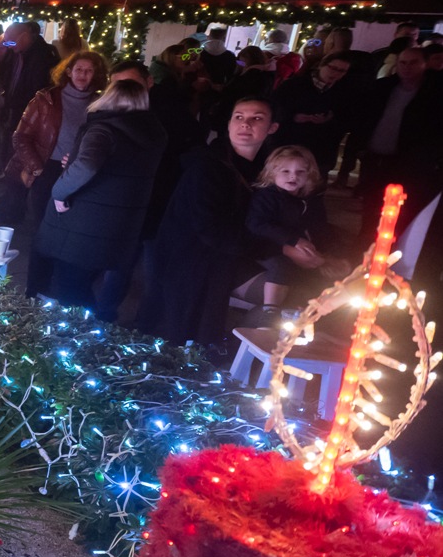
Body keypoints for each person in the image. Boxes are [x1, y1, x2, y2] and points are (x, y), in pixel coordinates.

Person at [142, 97, 278, 345]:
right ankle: (234, 351)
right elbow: (212, 229)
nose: (245, 124)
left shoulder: (270, 169)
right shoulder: (207, 166)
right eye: (239, 117)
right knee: (187, 336)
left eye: (256, 118)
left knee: (291, 291)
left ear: (272, 127)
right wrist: (277, 247)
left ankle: (242, 350)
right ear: (228, 125)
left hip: (228, 255)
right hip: (190, 260)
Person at [33, 79, 166, 320]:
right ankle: (93, 333)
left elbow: (87, 164)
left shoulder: (104, 129)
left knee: (70, 287)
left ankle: (84, 340)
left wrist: (60, 192)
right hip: (117, 227)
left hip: (83, 226)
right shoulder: (153, 135)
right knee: (83, 283)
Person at [10, 51, 109, 295]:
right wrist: (38, 168)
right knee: (44, 232)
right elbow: (21, 136)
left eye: (89, 70)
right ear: (67, 71)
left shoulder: (101, 103)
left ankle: (59, 292)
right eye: (78, 69)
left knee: (72, 233)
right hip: (48, 169)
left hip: (80, 173)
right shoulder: (47, 99)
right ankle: (35, 290)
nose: (83, 75)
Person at [246, 145, 348, 313]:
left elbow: (320, 227)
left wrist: (329, 251)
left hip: (303, 249)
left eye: (300, 172)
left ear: (309, 175)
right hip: (269, 248)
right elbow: (257, 224)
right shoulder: (267, 197)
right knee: (281, 266)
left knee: (331, 269)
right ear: (272, 173)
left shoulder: (310, 200)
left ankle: (318, 312)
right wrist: (292, 240)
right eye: (285, 171)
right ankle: (269, 311)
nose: (293, 176)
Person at [354, 44, 443, 225]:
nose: (406, 67)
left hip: (408, 162)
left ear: (424, 64)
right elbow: (364, 118)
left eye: (413, 63)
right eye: (402, 62)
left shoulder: (434, 94)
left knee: (401, 210)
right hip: (375, 158)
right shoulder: (383, 87)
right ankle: (364, 243)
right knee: (371, 205)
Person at [0, 20, 60, 179]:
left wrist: (14, 103)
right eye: (6, 42)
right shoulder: (15, 52)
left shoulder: (44, 56)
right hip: (12, 111)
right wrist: (0, 58)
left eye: (12, 42)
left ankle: (15, 188)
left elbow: (39, 88)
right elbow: (1, 77)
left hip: (28, 114)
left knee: (19, 153)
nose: (9, 46)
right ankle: (5, 184)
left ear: (25, 36)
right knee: (7, 149)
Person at [270, 49, 354, 175]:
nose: (335, 73)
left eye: (342, 71)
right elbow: (274, 109)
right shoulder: (294, 84)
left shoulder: (343, 91)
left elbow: (345, 118)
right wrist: (293, 117)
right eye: (332, 68)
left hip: (320, 148)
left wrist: (328, 119)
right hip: (290, 142)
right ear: (322, 65)